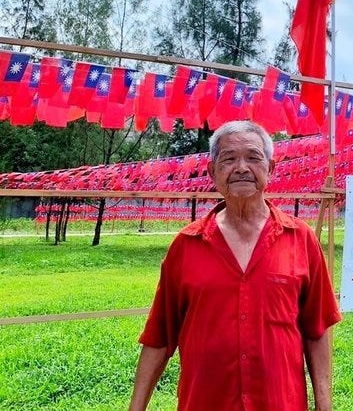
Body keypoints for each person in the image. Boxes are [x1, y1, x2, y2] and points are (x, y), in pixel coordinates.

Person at [129, 120, 341, 411]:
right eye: (229, 159)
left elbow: (316, 329)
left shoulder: (301, 239)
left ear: (271, 168)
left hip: (280, 403)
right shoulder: (187, 244)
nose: (241, 167)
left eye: (253, 157)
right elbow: (160, 336)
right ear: (212, 172)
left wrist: (325, 404)